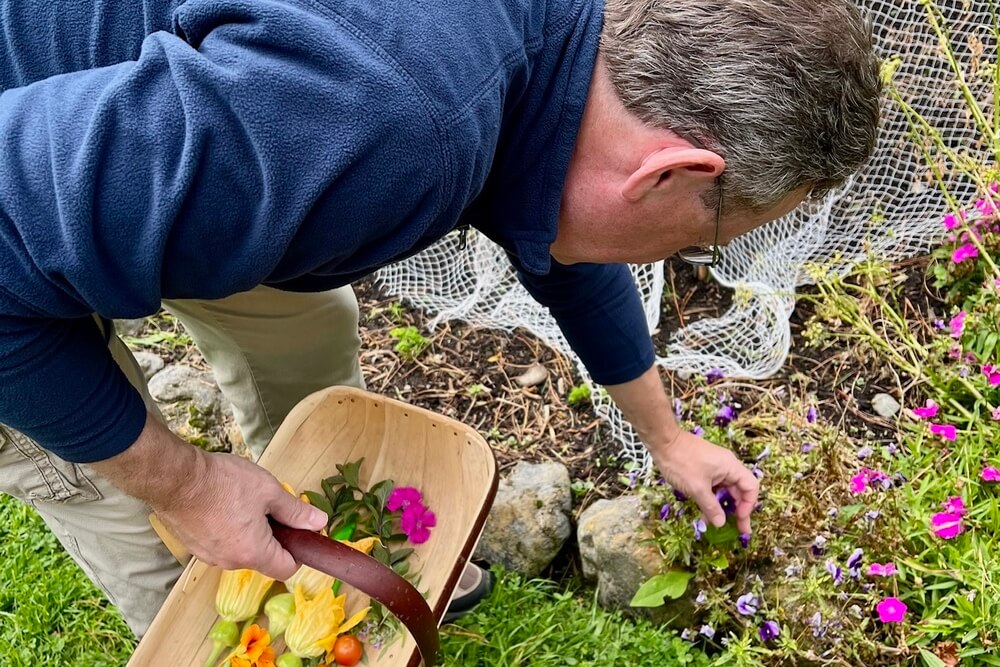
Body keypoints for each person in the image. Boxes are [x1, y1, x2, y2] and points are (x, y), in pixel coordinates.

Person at [0, 0, 881, 639]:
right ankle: (202, 618)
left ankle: (320, 537)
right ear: (667, 172)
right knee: (141, 522)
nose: (670, 262)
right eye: (702, 239)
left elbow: (568, 246)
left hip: (187, 142)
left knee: (308, 331)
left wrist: (669, 438)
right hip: (23, 217)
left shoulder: (569, 53)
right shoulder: (391, 124)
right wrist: (185, 484)